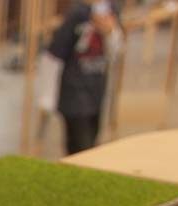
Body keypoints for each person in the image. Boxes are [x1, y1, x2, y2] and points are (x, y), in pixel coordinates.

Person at [48, 1, 123, 155]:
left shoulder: (112, 10)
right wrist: (47, 96)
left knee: (92, 143)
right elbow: (55, 52)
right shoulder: (77, 14)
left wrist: (110, 31)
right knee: (81, 147)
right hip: (74, 94)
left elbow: (116, 52)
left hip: (97, 92)